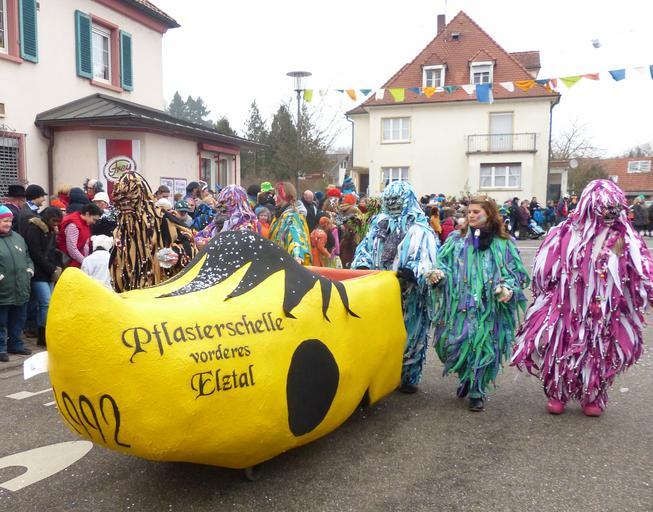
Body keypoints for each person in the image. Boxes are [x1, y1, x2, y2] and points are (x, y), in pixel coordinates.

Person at [513, 179, 653, 417]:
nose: (611, 214)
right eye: (605, 208)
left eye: (615, 209)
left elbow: (632, 268)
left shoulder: (620, 238)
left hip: (605, 310)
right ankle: (558, 392)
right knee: (560, 348)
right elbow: (546, 267)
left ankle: (593, 395)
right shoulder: (567, 233)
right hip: (566, 305)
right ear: (590, 207)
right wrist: (547, 291)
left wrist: (644, 288)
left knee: (599, 351)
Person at [432, 195, 529, 411]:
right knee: (453, 345)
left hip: (489, 309)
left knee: (483, 347)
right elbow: (443, 264)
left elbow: (514, 273)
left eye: (477, 212)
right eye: (469, 212)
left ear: (490, 214)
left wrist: (506, 288)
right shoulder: (456, 240)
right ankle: (466, 376)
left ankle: (477, 390)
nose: (471, 215)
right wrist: (439, 276)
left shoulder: (503, 243)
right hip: (460, 306)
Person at [352, 181, 439, 392]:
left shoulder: (420, 230)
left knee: (410, 333)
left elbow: (428, 258)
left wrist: (414, 271)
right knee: (382, 335)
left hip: (410, 295)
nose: (392, 204)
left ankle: (409, 376)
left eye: (396, 200)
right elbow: (365, 248)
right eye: (389, 200)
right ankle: (385, 375)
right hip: (381, 292)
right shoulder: (378, 225)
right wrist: (362, 264)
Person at [111, 172, 196, 292]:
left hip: (161, 290)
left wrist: (177, 253)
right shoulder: (121, 228)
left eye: (129, 198)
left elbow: (188, 242)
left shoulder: (161, 219)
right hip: (132, 293)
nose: (125, 204)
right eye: (121, 200)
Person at [23, 206, 63, 347]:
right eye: (54, 221)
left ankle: (42, 332)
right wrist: (52, 269)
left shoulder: (50, 230)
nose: (56, 224)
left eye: (58, 222)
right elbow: (36, 253)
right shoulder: (35, 229)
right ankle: (42, 334)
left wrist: (56, 267)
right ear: (47, 218)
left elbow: (52, 252)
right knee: (46, 303)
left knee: (44, 304)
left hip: (48, 271)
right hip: (39, 272)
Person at [0, 205, 34, 362]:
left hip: (20, 287)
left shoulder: (18, 238)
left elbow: (27, 257)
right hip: (3, 289)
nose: (8, 224)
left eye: (9, 220)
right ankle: (1, 348)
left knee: (18, 319)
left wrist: (29, 270)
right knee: (1, 321)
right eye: (4, 221)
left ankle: (16, 344)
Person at [194, 185, 261, 248]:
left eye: (225, 202)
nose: (219, 206)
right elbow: (199, 237)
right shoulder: (215, 223)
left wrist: (210, 242)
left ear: (237, 203)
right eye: (220, 202)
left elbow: (235, 245)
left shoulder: (249, 224)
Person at [269, 182, 312, 265]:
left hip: (286, 265)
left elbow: (296, 237)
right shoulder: (279, 215)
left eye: (276, 194)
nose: (274, 197)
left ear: (284, 196)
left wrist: (297, 256)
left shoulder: (291, 217)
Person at [57, 203, 102, 268]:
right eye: (94, 219)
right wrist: (85, 262)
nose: (94, 222)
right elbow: (72, 249)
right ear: (87, 214)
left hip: (78, 261)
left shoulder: (85, 223)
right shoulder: (73, 225)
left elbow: (85, 244)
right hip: (70, 263)